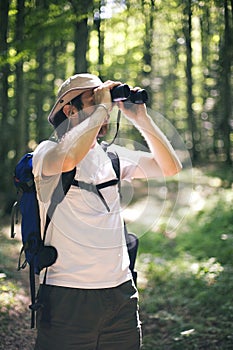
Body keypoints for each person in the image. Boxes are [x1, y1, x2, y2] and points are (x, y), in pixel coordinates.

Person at [32, 73, 182, 350]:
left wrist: (141, 118)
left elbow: (170, 167)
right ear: (70, 110)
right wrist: (101, 106)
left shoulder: (111, 157)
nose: (105, 108)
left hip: (121, 295)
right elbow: (69, 159)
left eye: (106, 101)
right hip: (68, 295)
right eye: (92, 100)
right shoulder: (46, 152)